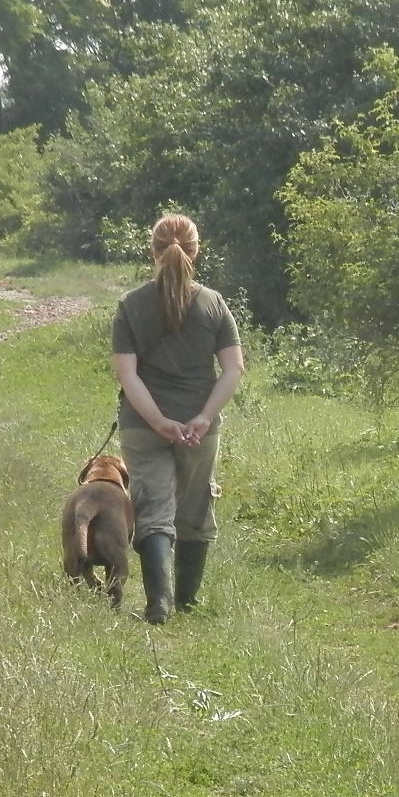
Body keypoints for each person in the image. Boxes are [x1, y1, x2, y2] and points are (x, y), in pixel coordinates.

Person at [109, 214, 246, 624]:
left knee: (152, 506)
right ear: (196, 250)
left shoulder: (131, 306)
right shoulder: (214, 303)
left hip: (142, 424)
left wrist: (156, 421)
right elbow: (233, 370)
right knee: (194, 507)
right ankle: (187, 600)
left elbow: (127, 374)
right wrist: (203, 417)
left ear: (152, 251)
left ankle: (159, 605)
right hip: (197, 427)